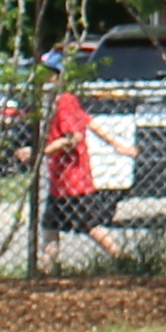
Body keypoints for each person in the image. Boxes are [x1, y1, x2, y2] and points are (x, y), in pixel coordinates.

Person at [36, 63, 104, 271]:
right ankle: (46, 267)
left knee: (89, 226)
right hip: (59, 181)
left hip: (72, 181)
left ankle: (124, 258)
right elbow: (90, 122)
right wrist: (120, 146)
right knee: (50, 226)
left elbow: (73, 137)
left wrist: (40, 153)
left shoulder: (64, 102)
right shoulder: (60, 103)